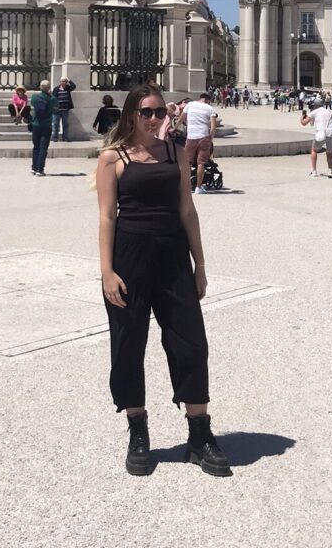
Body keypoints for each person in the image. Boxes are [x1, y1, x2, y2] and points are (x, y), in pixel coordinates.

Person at [95, 84, 231, 478]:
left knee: (190, 342)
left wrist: (200, 265)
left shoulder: (174, 152)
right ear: (131, 116)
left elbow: (188, 210)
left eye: (158, 111)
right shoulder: (111, 157)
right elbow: (106, 217)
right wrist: (107, 270)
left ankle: (199, 434)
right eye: (145, 112)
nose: (154, 118)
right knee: (127, 344)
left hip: (173, 256)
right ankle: (138, 430)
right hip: (129, 257)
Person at [183, 92, 218, 194]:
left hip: (191, 137)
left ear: (200, 98)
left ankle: (186, 187)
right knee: (201, 163)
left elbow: (182, 117)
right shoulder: (210, 108)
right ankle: (198, 187)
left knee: (188, 162)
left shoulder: (190, 105)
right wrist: (210, 138)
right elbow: (213, 126)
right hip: (203, 137)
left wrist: (176, 127)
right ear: (207, 100)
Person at [301, 97, 332, 178]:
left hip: (321, 133)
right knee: (329, 152)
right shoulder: (328, 111)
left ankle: (314, 171)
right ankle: (330, 171)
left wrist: (301, 118)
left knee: (314, 150)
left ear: (315, 105)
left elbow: (304, 123)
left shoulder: (314, 112)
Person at [29, 79, 57, 176]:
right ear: (49, 88)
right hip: (46, 125)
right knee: (43, 147)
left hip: (36, 124)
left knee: (36, 146)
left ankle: (34, 167)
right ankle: (40, 169)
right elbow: (56, 108)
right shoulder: (52, 98)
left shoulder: (35, 97)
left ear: (40, 87)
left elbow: (32, 104)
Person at [52, 76, 76, 142]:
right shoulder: (56, 89)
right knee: (55, 124)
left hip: (65, 109)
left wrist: (69, 80)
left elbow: (74, 86)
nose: (63, 83)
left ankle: (65, 137)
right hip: (57, 110)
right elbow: (53, 99)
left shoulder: (68, 88)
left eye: (65, 81)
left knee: (65, 124)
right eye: (62, 81)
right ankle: (55, 137)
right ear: (60, 82)